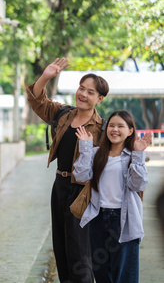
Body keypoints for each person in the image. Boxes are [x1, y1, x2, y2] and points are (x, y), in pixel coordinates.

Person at [26, 58, 109, 283]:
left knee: (79, 252)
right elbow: (37, 101)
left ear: (99, 99)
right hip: (59, 186)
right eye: (81, 88)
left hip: (81, 191)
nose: (83, 94)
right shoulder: (63, 114)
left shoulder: (101, 129)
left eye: (90, 92)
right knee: (60, 247)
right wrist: (45, 77)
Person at [73, 111, 151, 283]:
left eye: (120, 126)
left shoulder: (132, 156)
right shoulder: (95, 153)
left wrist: (138, 155)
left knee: (124, 274)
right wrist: (85, 147)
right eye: (111, 125)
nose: (115, 129)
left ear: (130, 131)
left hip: (123, 219)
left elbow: (138, 185)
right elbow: (81, 176)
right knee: (101, 274)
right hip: (98, 218)